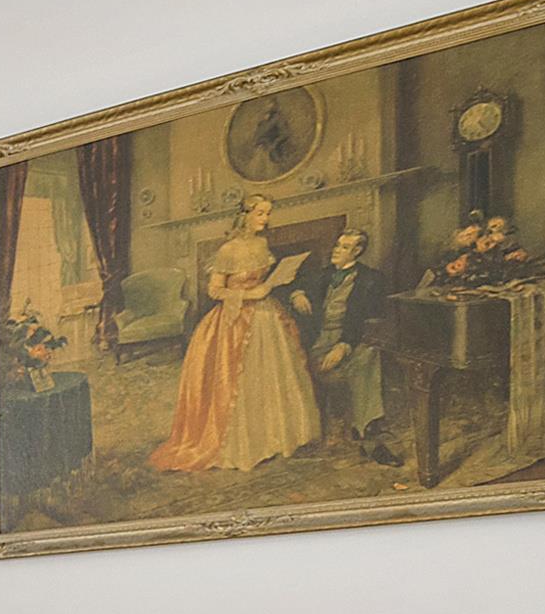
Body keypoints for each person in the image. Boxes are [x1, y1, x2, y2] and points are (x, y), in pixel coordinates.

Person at [150, 194, 325, 473]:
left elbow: (265, 281)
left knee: (272, 375)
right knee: (238, 381)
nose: (265, 219)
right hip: (234, 319)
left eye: (268, 213)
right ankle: (246, 445)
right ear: (245, 215)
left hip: (266, 314)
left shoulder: (262, 244)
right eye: (260, 213)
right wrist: (249, 294)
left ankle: (274, 438)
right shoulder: (228, 250)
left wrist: (274, 283)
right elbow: (215, 290)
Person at [290, 224, 392, 453]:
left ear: (357, 251)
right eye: (337, 245)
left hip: (350, 336)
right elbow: (294, 284)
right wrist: (297, 294)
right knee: (356, 365)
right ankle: (357, 429)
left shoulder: (371, 279)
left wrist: (344, 346)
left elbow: (364, 321)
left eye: (344, 247)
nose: (336, 250)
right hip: (320, 339)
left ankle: (367, 430)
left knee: (368, 356)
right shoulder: (322, 274)